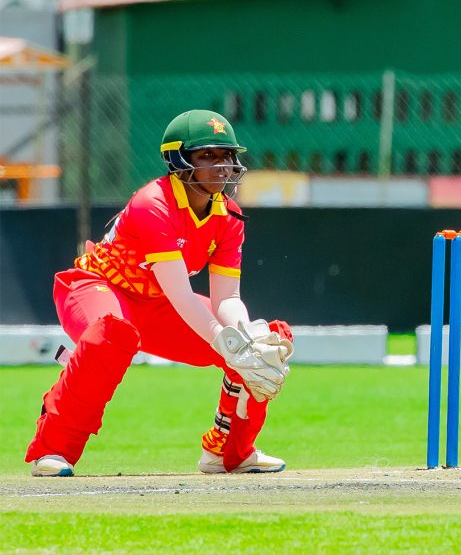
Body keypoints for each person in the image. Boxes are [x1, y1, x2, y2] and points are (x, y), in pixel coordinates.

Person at [26, 109, 294, 477]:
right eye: (208, 156)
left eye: (227, 156)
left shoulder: (229, 215)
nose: (222, 166)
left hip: (158, 304)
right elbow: (182, 294)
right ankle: (52, 449)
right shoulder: (153, 203)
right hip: (98, 288)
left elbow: (227, 300)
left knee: (262, 341)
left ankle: (227, 452)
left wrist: (244, 337)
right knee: (112, 334)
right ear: (180, 161)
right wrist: (225, 341)